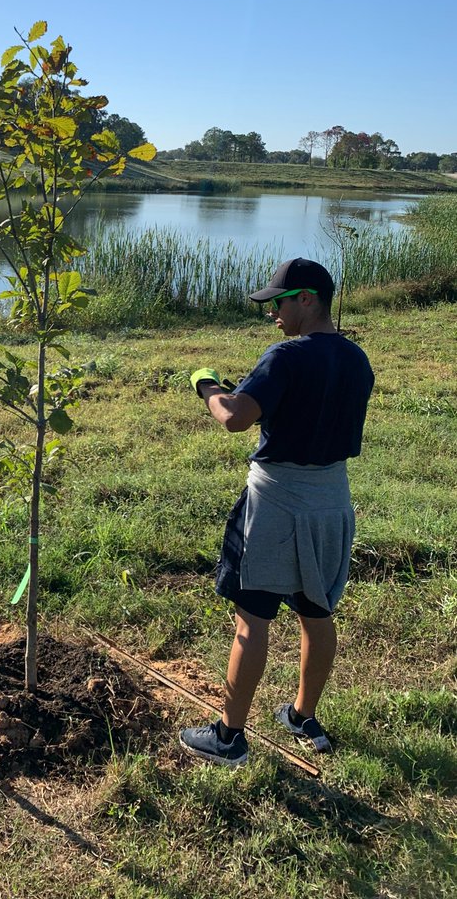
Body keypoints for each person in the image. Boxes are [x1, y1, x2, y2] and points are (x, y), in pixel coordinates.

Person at [179, 258, 374, 767]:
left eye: (278, 303)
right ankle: (303, 715)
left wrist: (207, 386)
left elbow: (235, 417)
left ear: (307, 298)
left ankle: (228, 738)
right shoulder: (357, 359)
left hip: (277, 504)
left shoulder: (286, 356)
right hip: (332, 502)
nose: (273, 314)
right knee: (317, 611)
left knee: (252, 617)